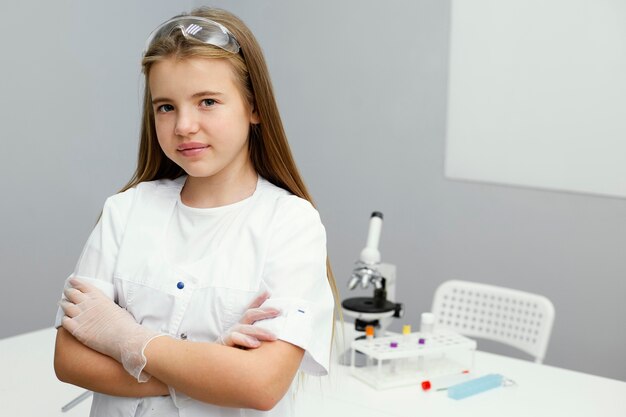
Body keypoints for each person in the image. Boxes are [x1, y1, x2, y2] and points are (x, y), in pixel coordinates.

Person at [53, 7, 339, 416]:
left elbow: (260, 385)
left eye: (207, 101)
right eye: (165, 107)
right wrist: (211, 366)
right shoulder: (125, 210)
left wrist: (124, 338)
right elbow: (69, 360)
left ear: (253, 107)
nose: (184, 125)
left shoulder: (292, 223)